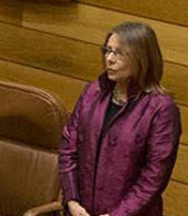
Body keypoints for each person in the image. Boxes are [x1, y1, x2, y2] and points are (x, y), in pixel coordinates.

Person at [59, 22, 180, 216]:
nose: (109, 59)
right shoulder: (93, 93)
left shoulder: (161, 109)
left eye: (119, 53)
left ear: (142, 58)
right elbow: (68, 148)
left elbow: (153, 178)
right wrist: (72, 200)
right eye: (107, 50)